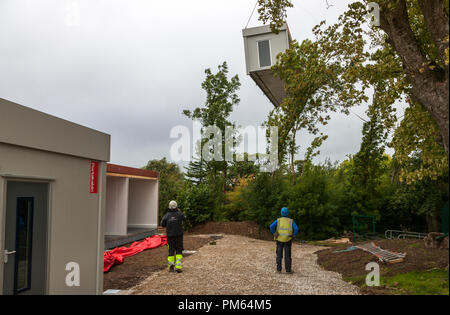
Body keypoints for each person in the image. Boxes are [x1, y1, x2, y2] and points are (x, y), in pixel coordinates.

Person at [270, 207, 299, 273]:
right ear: (288, 213)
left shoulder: (278, 220)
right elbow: (296, 229)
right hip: (288, 240)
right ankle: (288, 270)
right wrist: (293, 235)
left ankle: (279, 269)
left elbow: (271, 226)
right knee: (287, 255)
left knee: (279, 255)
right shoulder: (291, 221)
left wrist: (274, 233)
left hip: (279, 240)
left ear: (281, 213)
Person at [161, 200, 186, 273]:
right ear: (176, 206)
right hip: (179, 236)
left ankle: (171, 267)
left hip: (170, 236)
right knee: (179, 250)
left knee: (171, 250)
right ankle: (178, 267)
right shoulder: (180, 214)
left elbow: (162, 224)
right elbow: (185, 218)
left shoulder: (166, 215)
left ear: (169, 207)